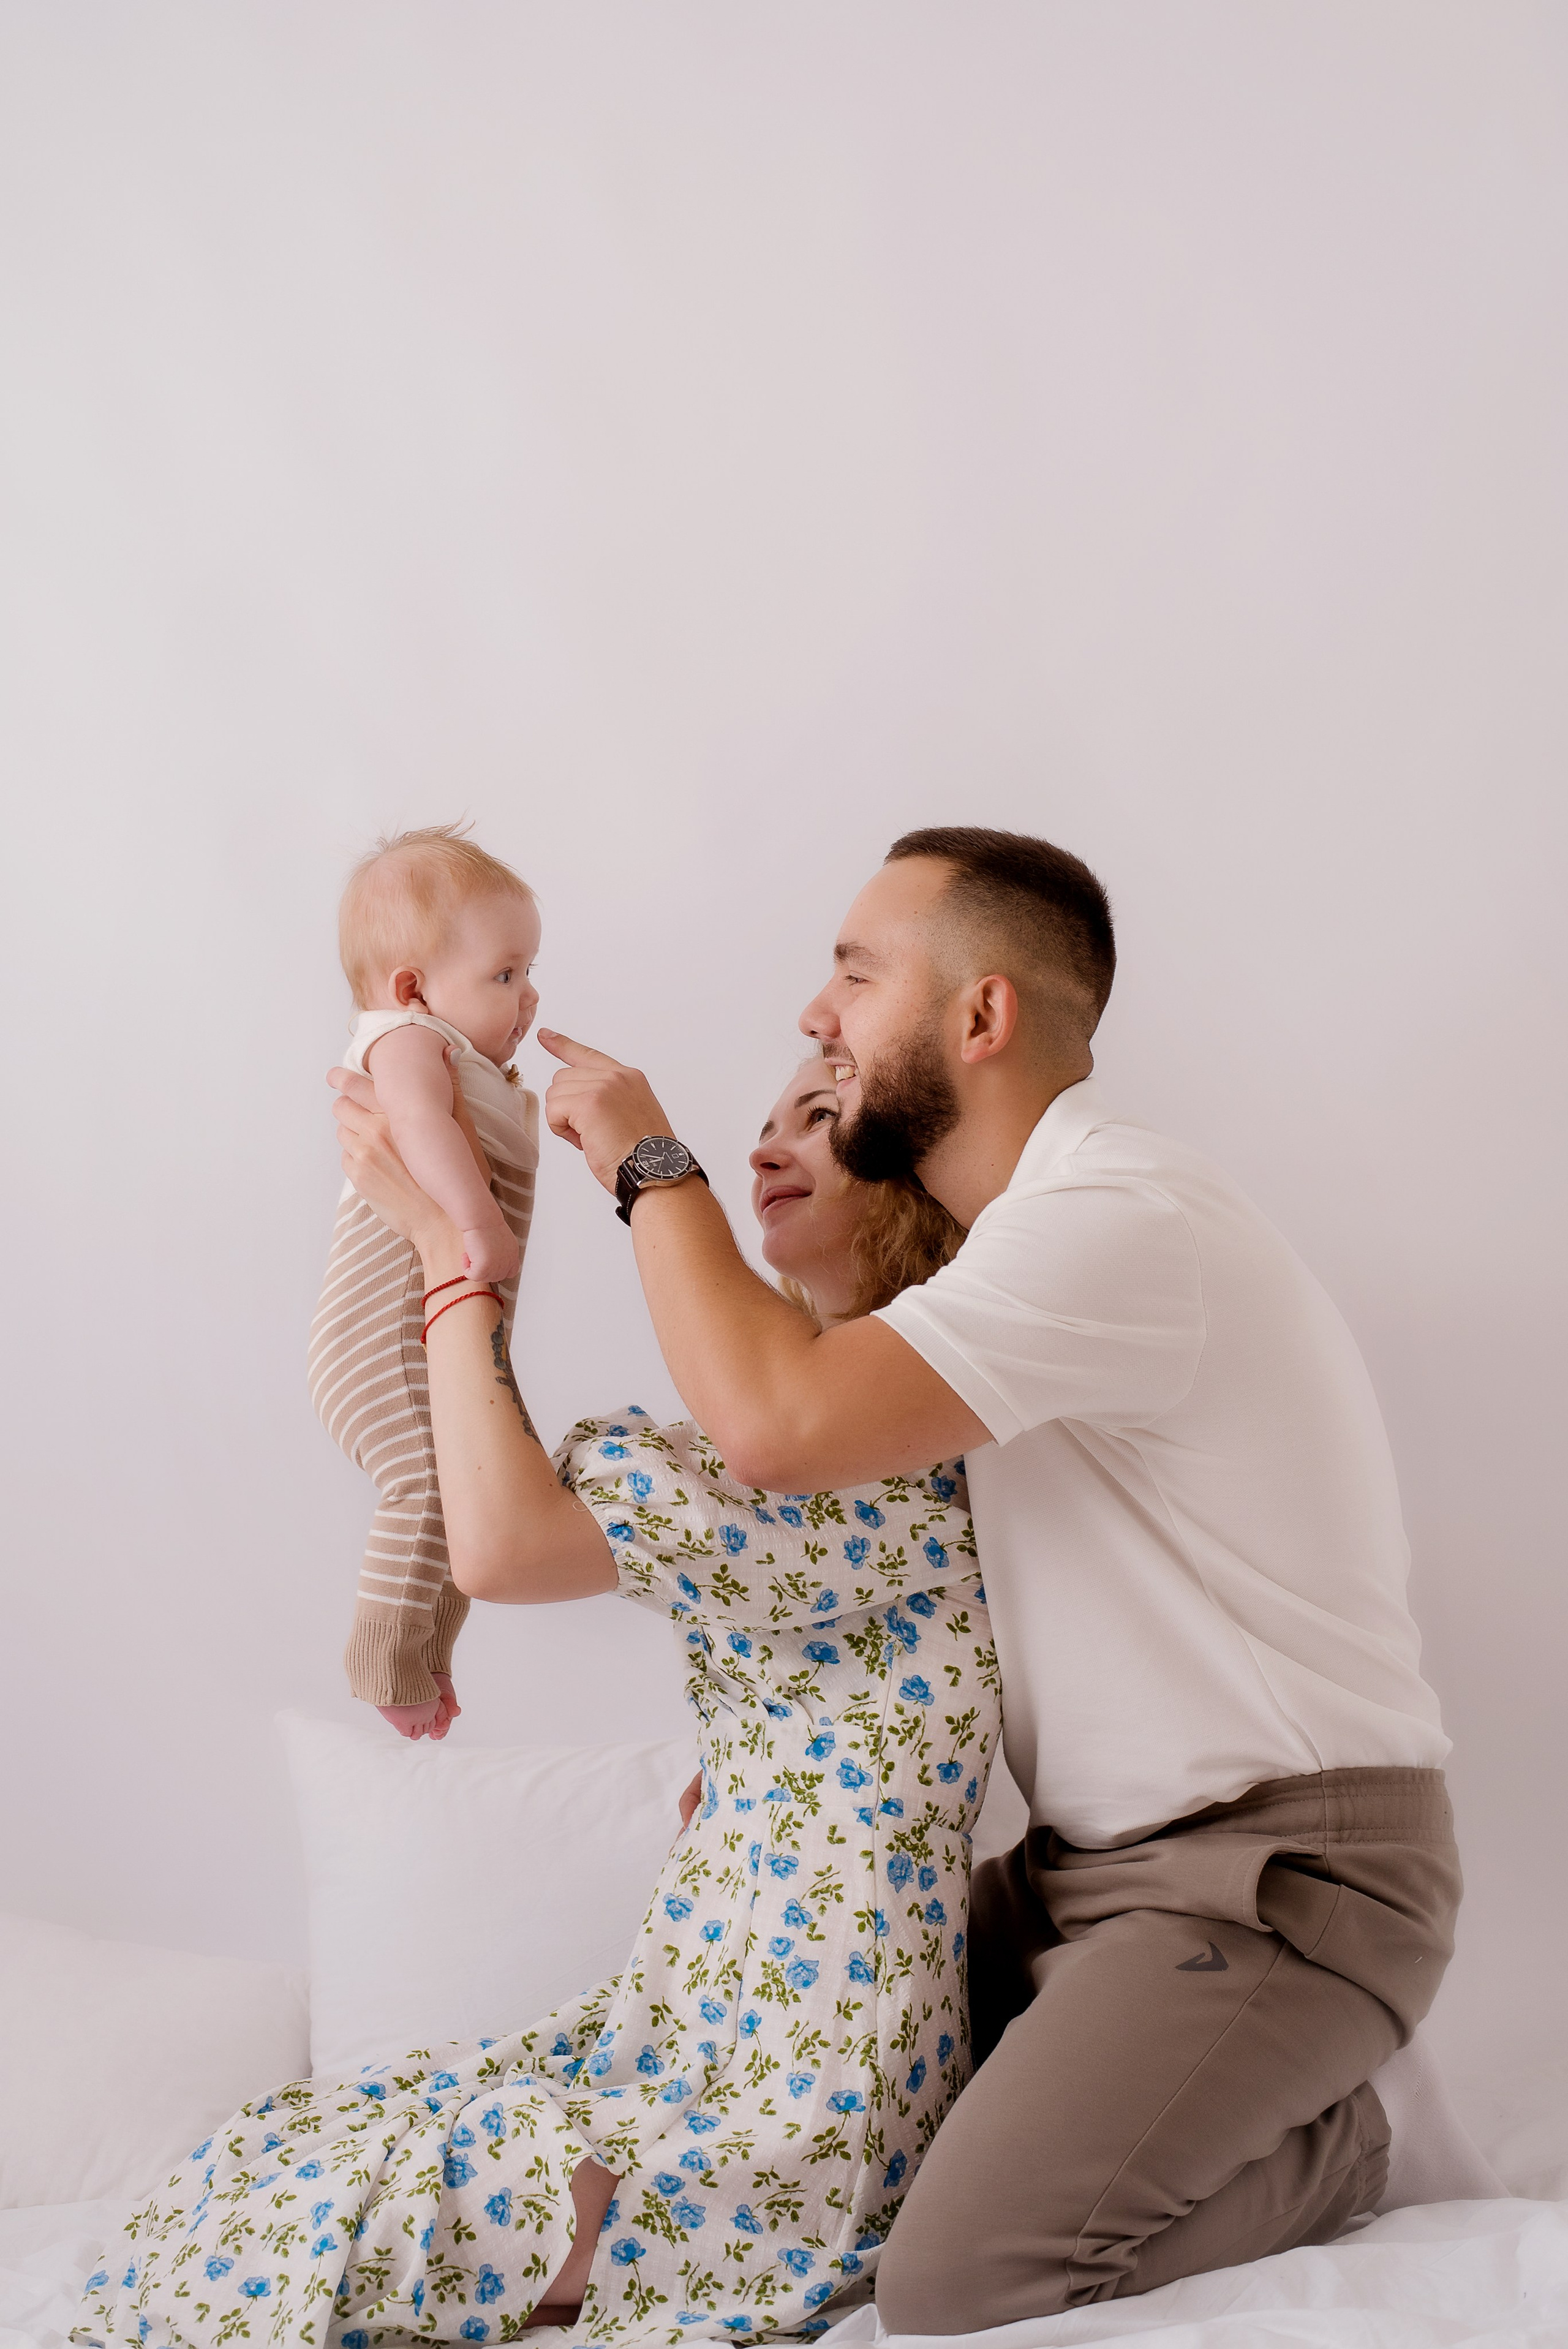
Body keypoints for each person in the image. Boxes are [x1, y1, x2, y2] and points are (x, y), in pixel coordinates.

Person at [531, 824, 1474, 2329]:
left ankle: (1339, 2144)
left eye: (853, 972)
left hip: (1277, 1880)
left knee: (966, 2276)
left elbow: (776, 1429)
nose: (812, 1016)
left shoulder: (1109, 1221)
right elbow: (891, 1555)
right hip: (1078, 1880)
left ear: (980, 1017)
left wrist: (652, 1164)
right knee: (790, 2102)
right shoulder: (994, 1268)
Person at [75, 1069, 993, 2349]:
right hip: (698, 2009)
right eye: (773, 1113)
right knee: (291, 2144)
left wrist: (461, 1260)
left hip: (806, 2080)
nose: (770, 1140)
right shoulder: (813, 1444)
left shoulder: (883, 1455)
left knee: (388, 2212)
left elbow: (501, 1545)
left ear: (909, 1188)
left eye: (821, 1120)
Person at [308, 824, 541, 1741]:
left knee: (466, 1487)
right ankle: (387, 1665)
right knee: (427, 1483)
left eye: (527, 972)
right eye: (506, 975)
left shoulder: (464, 1057)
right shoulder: (406, 1041)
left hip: (428, 1332)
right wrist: (477, 1223)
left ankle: (428, 1656)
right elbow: (421, 1127)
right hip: (377, 1333)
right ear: (412, 987)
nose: (528, 997)